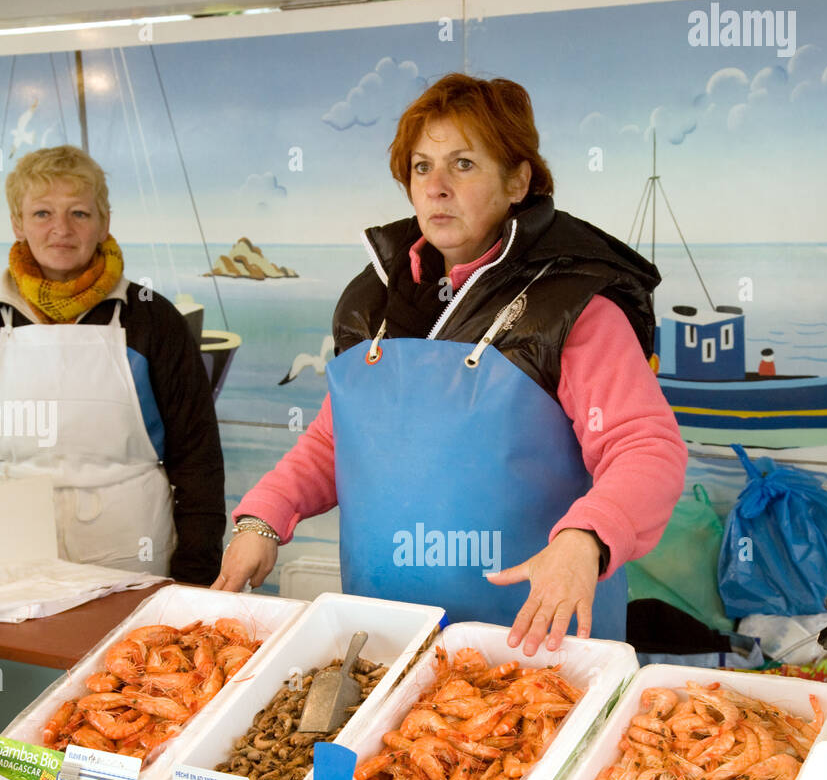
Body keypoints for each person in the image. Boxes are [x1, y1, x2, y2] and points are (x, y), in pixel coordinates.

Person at [215, 75, 688, 650]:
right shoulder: (371, 302)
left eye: (463, 165)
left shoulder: (574, 308)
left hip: (534, 644)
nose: (436, 187)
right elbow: (336, 442)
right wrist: (263, 517)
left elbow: (645, 446)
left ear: (518, 181)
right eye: (421, 167)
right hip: (387, 633)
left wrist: (588, 535)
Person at [0, 145, 225, 584]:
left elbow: (198, 459)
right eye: (43, 213)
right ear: (17, 223)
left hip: (130, 549)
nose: (61, 229)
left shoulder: (152, 317)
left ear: (104, 223)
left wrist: (196, 574)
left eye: (79, 214)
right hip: (15, 551)